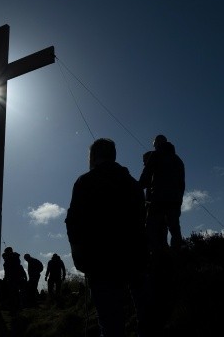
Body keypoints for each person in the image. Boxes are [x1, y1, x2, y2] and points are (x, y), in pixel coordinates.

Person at [65, 138, 149, 337]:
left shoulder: (84, 182)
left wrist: (79, 256)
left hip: (100, 261)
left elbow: (73, 222)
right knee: (145, 317)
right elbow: (142, 217)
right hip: (135, 256)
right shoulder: (133, 184)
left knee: (111, 324)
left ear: (93, 157)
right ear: (113, 155)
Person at [139, 135, 185, 259]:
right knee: (175, 230)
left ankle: (155, 259)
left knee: (151, 230)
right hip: (174, 202)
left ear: (157, 144)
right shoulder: (178, 160)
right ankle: (176, 258)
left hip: (158, 200)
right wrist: (179, 201)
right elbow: (182, 184)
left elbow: (146, 176)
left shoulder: (156, 155)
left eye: (154, 145)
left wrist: (136, 188)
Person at [1, 246, 27, 313]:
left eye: (6, 252)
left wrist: (7, 277)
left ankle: (15, 308)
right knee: (14, 293)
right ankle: (16, 307)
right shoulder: (13, 258)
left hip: (13, 278)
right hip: (13, 278)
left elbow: (10, 269)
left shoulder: (12, 258)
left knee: (14, 293)